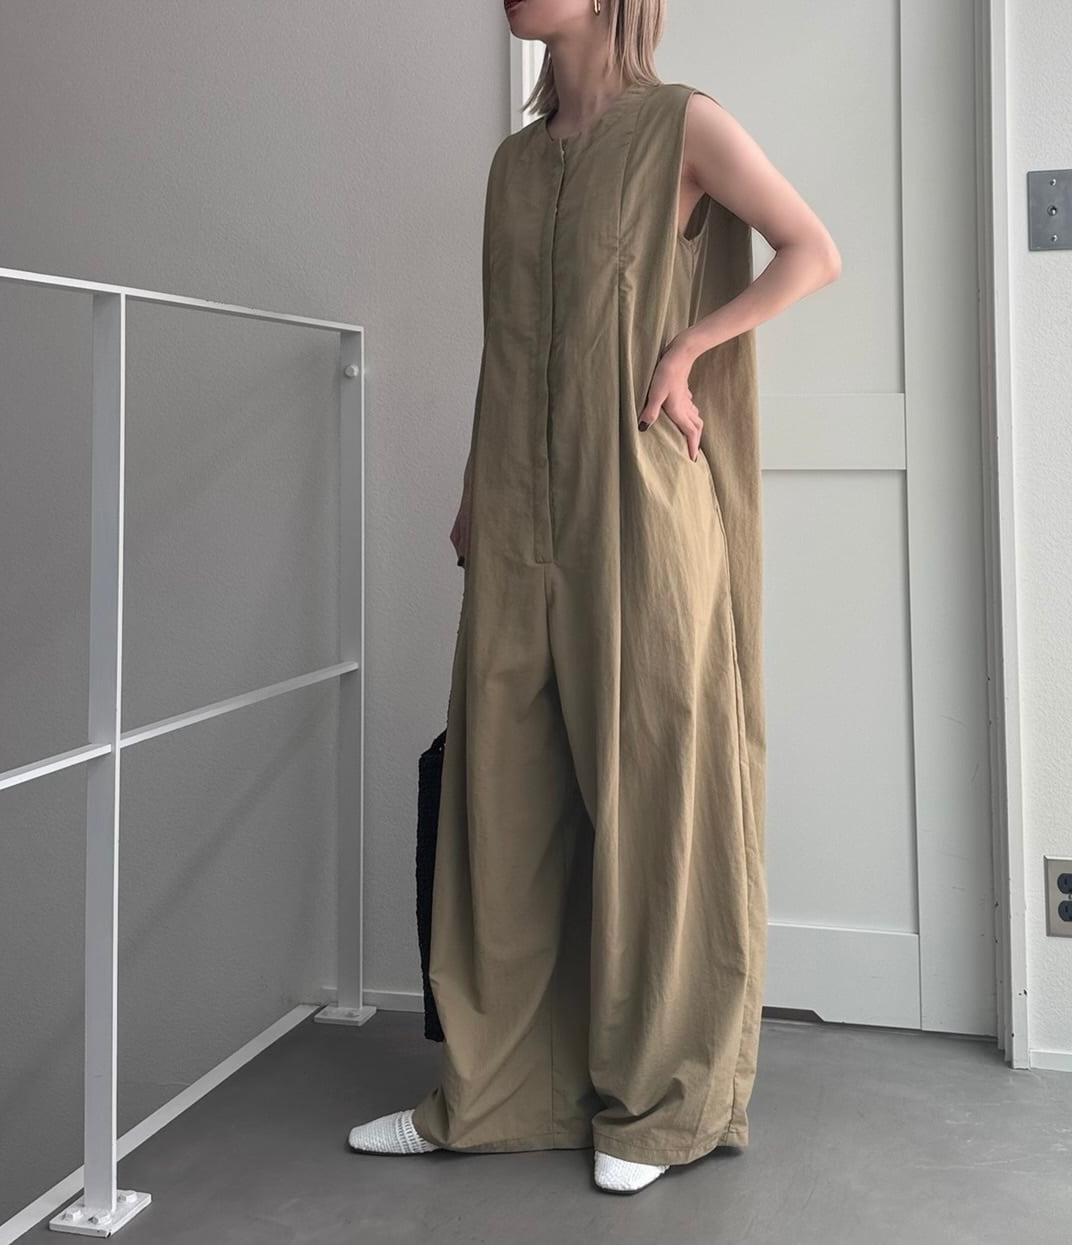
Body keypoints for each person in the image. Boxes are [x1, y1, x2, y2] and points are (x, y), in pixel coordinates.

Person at [349, 0, 841, 1195]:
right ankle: (493, 1094)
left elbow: (811, 250)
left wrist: (687, 350)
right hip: (518, 512)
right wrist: (476, 485)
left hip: (642, 506)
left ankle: (664, 1107)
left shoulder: (683, 126)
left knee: (657, 792)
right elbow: (508, 343)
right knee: (503, 794)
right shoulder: (513, 166)